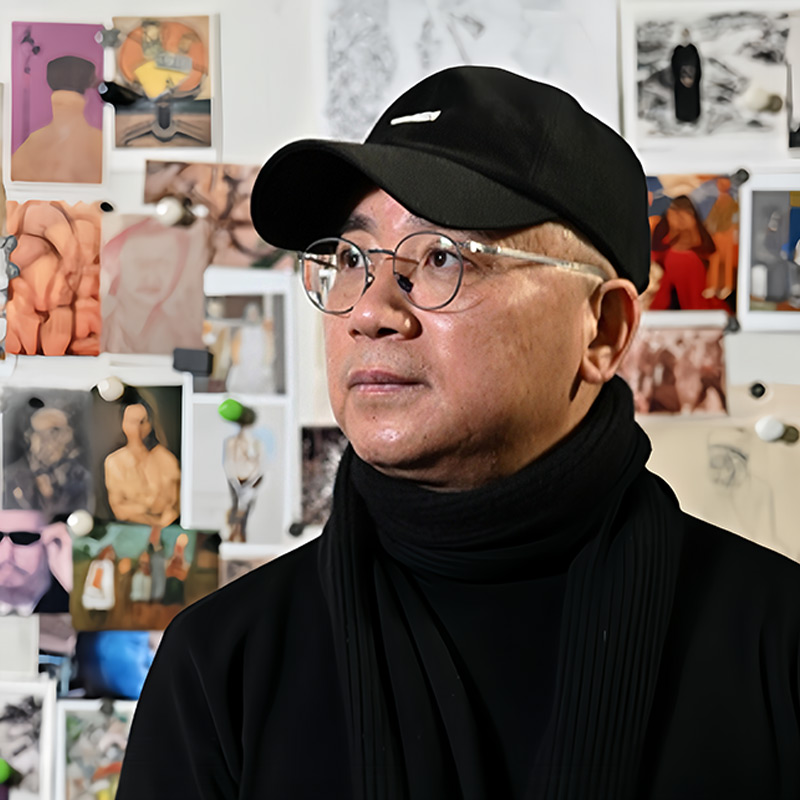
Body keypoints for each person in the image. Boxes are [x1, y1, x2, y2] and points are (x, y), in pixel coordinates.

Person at [118, 67, 800, 799]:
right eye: (350, 259)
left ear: (602, 330)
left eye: (443, 256)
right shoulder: (222, 665)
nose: (369, 311)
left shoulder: (777, 644)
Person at [3, 404, 93, 521]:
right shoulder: (10, 477)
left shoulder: (79, 476)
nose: (51, 442)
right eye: (44, 434)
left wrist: (49, 496)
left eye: (57, 432)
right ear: (29, 437)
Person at [103, 398, 181, 530]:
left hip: (167, 528)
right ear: (123, 424)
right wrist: (150, 515)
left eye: (142, 422)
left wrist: (160, 522)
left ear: (150, 424)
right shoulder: (114, 462)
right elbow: (120, 509)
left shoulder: (166, 459)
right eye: (132, 422)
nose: (138, 429)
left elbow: (175, 505)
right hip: (130, 529)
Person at [0, 509, 72, 616]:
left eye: (23, 538)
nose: (7, 555)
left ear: (52, 540)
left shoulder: (69, 599)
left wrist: (74, 588)